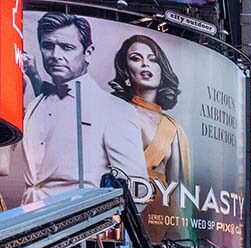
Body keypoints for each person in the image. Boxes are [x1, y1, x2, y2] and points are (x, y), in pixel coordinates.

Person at [0, 13, 147, 208]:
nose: (55, 56)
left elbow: (136, 193)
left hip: (83, 224)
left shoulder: (115, 109)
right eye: (47, 46)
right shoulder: (36, 105)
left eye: (67, 47)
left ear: (88, 52)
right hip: (29, 223)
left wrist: (98, 221)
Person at [108, 34, 193, 242]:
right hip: (119, 216)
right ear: (126, 70)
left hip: (161, 222)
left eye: (152, 59)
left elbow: (178, 191)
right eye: (136, 58)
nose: (145, 64)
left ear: (161, 70)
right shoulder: (111, 112)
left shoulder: (173, 128)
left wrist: (182, 239)